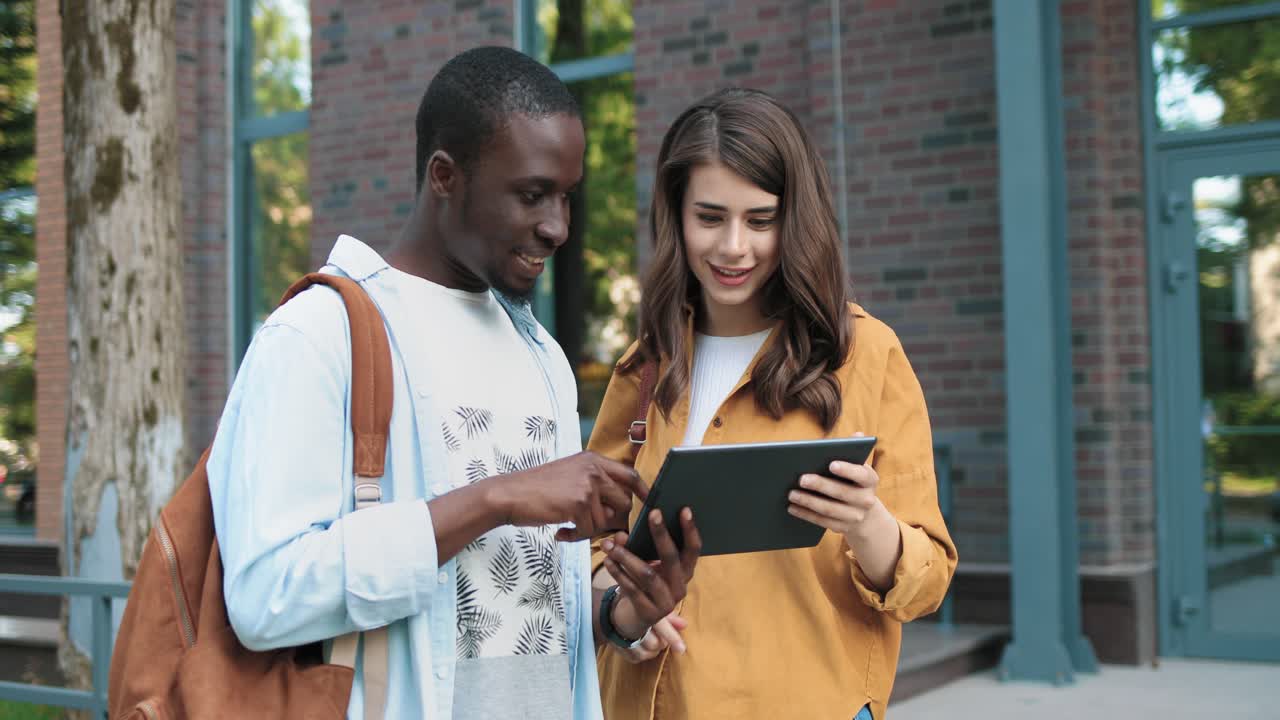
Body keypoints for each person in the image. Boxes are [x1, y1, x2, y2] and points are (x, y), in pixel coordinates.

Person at [206, 46, 695, 720]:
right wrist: (494, 499)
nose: (557, 227)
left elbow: (526, 620)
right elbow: (265, 598)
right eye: (530, 194)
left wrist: (623, 613)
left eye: (565, 196)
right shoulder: (320, 336)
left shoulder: (543, 356)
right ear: (444, 175)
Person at [587, 88, 957, 720]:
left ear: (797, 220)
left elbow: (927, 583)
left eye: (761, 220)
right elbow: (595, 547)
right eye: (710, 217)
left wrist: (867, 523)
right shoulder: (645, 365)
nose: (734, 247)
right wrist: (625, 619)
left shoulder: (865, 354)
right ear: (675, 215)